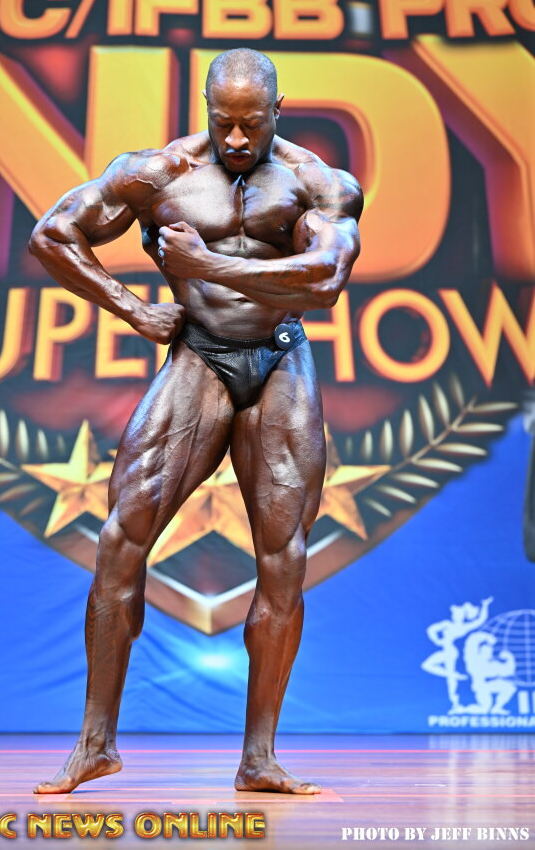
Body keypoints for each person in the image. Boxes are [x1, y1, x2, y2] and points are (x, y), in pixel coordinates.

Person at [28, 48, 362, 795]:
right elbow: (52, 234)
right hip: (199, 356)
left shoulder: (318, 183)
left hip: (279, 359)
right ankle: (94, 745)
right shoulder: (159, 174)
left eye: (252, 123)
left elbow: (325, 279)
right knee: (121, 539)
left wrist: (207, 267)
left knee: (283, 558)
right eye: (223, 121)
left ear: (278, 111)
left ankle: (259, 759)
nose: (237, 138)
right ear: (206, 110)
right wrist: (132, 307)